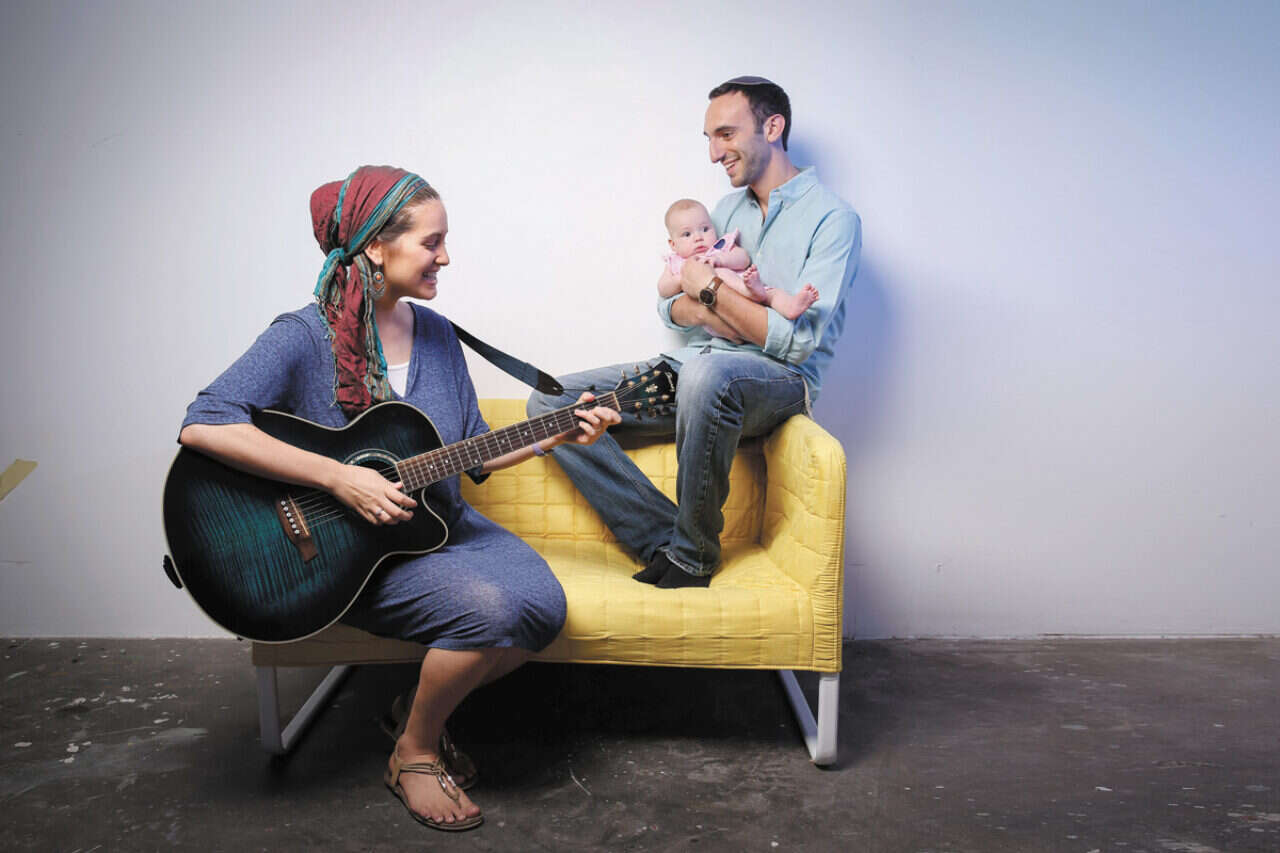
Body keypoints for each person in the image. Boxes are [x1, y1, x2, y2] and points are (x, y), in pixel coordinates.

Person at [177, 166, 619, 832]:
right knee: (493, 611)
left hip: (442, 529)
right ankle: (414, 751)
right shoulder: (303, 336)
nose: (446, 257)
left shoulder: (438, 334)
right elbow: (204, 422)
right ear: (378, 247)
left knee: (544, 608)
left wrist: (553, 435)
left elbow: (471, 448)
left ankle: (411, 708)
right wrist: (338, 478)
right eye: (431, 242)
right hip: (353, 557)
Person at [528, 76, 861, 589]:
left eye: (726, 134)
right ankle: (666, 537)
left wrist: (708, 292)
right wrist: (710, 310)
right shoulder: (724, 213)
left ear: (773, 127)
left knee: (708, 374)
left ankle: (693, 556)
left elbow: (796, 343)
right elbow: (670, 305)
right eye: (709, 138)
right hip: (698, 369)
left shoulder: (834, 220)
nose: (713, 153)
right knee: (551, 403)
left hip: (778, 383)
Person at [658, 197, 820, 328]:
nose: (698, 237)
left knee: (771, 293)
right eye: (687, 234)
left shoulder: (719, 248)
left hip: (746, 297)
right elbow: (663, 289)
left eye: (705, 229)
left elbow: (743, 258)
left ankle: (791, 307)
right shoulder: (676, 262)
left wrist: (720, 259)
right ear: (673, 244)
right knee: (727, 280)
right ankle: (752, 292)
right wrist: (683, 277)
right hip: (721, 313)